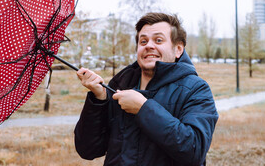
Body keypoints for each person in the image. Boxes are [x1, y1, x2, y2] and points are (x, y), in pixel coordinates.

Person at [74, 12, 218, 166]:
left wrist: (143, 108)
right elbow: (87, 150)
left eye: (158, 40)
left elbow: (194, 150)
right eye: (143, 41)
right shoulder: (120, 84)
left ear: (178, 49)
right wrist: (99, 100)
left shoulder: (196, 89)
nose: (149, 45)